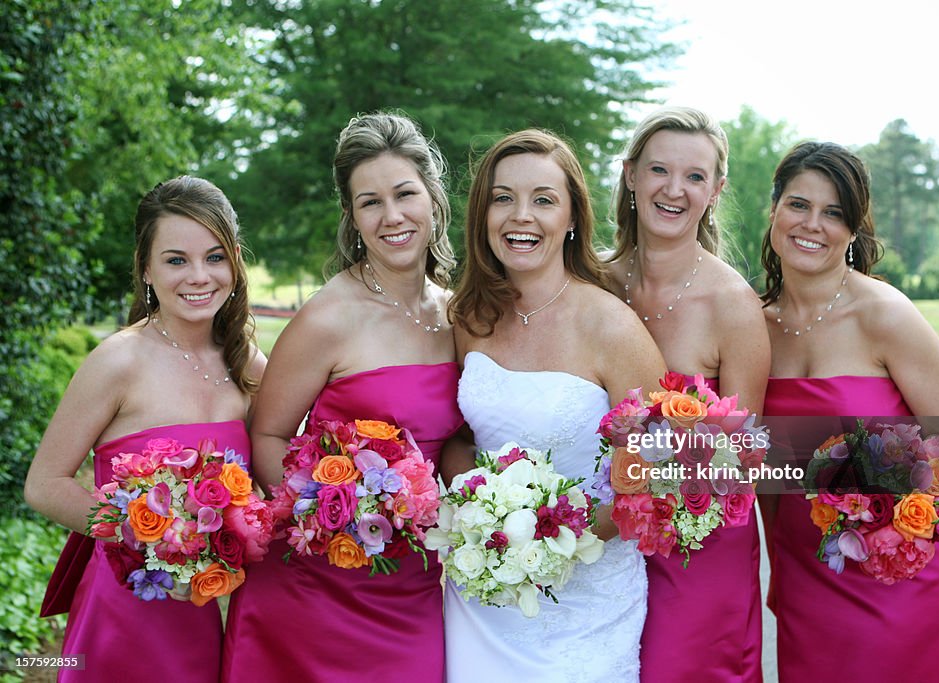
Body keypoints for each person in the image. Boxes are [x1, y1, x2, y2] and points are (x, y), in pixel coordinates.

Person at [219, 112, 462, 683]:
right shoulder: (328, 318)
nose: (392, 216)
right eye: (370, 202)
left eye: (405, 194)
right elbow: (268, 434)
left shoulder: (459, 313)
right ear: (353, 218)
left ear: (433, 199)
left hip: (413, 581)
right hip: (314, 587)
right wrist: (336, 511)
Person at [443, 129, 667, 683]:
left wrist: (559, 537)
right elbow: (459, 438)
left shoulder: (610, 325)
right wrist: (480, 510)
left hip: (586, 597)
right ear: (482, 215)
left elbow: (666, 464)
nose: (522, 216)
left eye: (543, 199)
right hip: (482, 586)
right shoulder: (470, 317)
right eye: (503, 198)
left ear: (571, 218)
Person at [25, 175, 266, 683]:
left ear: (235, 263)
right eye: (177, 259)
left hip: (201, 611)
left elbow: (268, 482)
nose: (199, 276)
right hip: (124, 604)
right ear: (146, 270)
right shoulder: (118, 361)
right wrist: (148, 534)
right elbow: (44, 485)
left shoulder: (246, 364)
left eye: (215, 257)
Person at [760, 141, 939, 682]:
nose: (812, 224)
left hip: (901, 578)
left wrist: (879, 510)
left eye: (833, 212)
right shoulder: (752, 327)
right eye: (798, 204)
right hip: (809, 578)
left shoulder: (885, 315)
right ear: (774, 210)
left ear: (854, 229)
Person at [604, 106, 769, 682]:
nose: (674, 189)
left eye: (694, 176)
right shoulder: (593, 283)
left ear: (715, 190)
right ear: (630, 175)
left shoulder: (733, 305)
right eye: (658, 170)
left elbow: (746, 457)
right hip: (600, 537)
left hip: (698, 545)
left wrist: (667, 482)